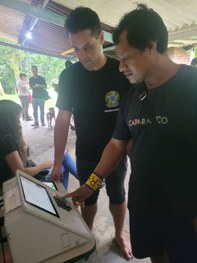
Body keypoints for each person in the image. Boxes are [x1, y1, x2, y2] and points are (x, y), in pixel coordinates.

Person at [65, 4, 197, 263]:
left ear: (150, 45)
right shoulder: (132, 97)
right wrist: (89, 185)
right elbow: (115, 145)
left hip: (186, 213)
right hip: (145, 209)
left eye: (127, 57)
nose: (120, 66)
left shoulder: (192, 87)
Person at [51, 7, 132, 259]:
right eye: (75, 49)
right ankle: (88, 237)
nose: (82, 56)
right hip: (86, 152)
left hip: (117, 153)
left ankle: (119, 233)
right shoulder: (69, 76)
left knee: (117, 195)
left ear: (101, 38)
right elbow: (63, 119)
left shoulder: (121, 72)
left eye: (87, 47)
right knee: (88, 198)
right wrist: (56, 161)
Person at [0, 100, 78, 194]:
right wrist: (43, 166)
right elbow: (21, 173)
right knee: (61, 162)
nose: (19, 121)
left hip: (22, 178)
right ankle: (79, 186)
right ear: (10, 119)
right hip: (24, 186)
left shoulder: (4, 136)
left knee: (61, 162)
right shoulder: (6, 140)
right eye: (18, 118)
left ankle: (63, 194)